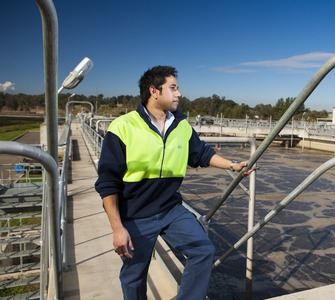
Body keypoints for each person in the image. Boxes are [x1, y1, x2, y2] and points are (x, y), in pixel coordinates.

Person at [95, 65, 253, 300]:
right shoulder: (123, 126)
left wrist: (232, 165)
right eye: (173, 88)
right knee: (134, 275)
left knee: (203, 250)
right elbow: (108, 183)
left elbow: (202, 153)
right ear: (154, 91)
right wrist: (118, 228)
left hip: (170, 208)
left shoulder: (181, 126)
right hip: (134, 214)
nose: (179, 94)